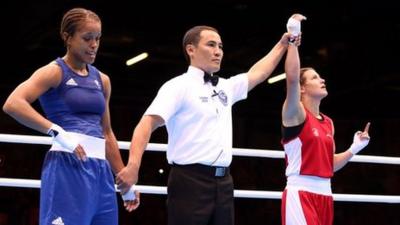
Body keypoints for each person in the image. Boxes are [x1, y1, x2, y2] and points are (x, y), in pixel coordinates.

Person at [116, 18, 300, 224]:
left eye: (220, 46)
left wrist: (283, 43)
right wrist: (133, 166)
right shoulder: (178, 86)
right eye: (211, 45)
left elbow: (258, 73)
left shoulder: (225, 86)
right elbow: (146, 125)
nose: (218, 51)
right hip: (189, 180)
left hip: (224, 182)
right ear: (191, 50)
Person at [2, 7, 139, 225]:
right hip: (67, 165)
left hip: (101, 172)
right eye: (87, 38)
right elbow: (13, 103)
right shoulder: (54, 72)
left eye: (97, 38)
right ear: (68, 38)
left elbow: (106, 131)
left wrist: (124, 179)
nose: (94, 45)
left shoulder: (102, 80)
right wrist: (57, 132)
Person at [281, 14, 370, 225]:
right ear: (302, 88)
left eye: (320, 76)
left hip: (325, 195)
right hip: (300, 193)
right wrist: (293, 37)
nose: (322, 80)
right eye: (314, 77)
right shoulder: (294, 113)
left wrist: (354, 148)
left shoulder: (328, 122)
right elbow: (292, 79)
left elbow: (328, 165)